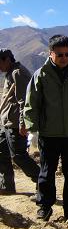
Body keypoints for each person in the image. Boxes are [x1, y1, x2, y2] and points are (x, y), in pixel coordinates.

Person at [24, 35, 68, 221]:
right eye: (60, 54)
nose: (64, 58)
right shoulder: (41, 75)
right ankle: (44, 207)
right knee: (47, 172)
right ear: (51, 53)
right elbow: (31, 104)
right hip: (49, 133)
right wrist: (33, 130)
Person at [0, 49, 40, 194]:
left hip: (16, 123)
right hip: (8, 121)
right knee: (1, 151)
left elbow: (25, 101)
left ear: (6, 60)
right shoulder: (10, 73)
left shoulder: (18, 73)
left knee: (18, 155)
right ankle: (6, 185)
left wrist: (24, 123)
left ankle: (42, 182)